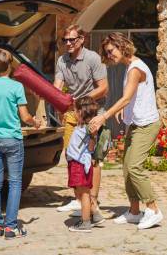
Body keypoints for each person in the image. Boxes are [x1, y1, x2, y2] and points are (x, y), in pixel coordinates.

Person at [89, 32, 163, 230]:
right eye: (107, 52)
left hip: (146, 125)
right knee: (126, 168)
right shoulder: (130, 66)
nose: (110, 55)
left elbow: (127, 98)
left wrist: (104, 116)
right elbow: (131, 96)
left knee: (134, 168)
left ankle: (153, 209)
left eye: (111, 51)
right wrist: (122, 109)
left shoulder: (135, 69)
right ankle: (134, 211)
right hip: (136, 124)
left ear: (121, 46)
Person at [0, 49, 40, 239]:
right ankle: (10, 227)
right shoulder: (16, 87)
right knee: (15, 183)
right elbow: (24, 116)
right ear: (10, 66)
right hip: (13, 139)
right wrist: (35, 122)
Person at [53, 24, 109, 223]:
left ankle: (92, 201)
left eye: (72, 39)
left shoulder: (93, 58)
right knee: (72, 156)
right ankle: (80, 199)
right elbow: (57, 88)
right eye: (65, 40)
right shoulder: (62, 60)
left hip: (94, 112)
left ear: (81, 39)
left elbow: (103, 88)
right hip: (73, 114)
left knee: (93, 158)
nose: (68, 43)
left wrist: (81, 101)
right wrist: (51, 96)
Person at [66, 97, 99, 232]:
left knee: (84, 194)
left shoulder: (87, 129)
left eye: (74, 110)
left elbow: (91, 149)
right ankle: (95, 214)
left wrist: (92, 136)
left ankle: (85, 222)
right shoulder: (82, 127)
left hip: (79, 165)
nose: (73, 112)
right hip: (77, 163)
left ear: (80, 112)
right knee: (81, 193)